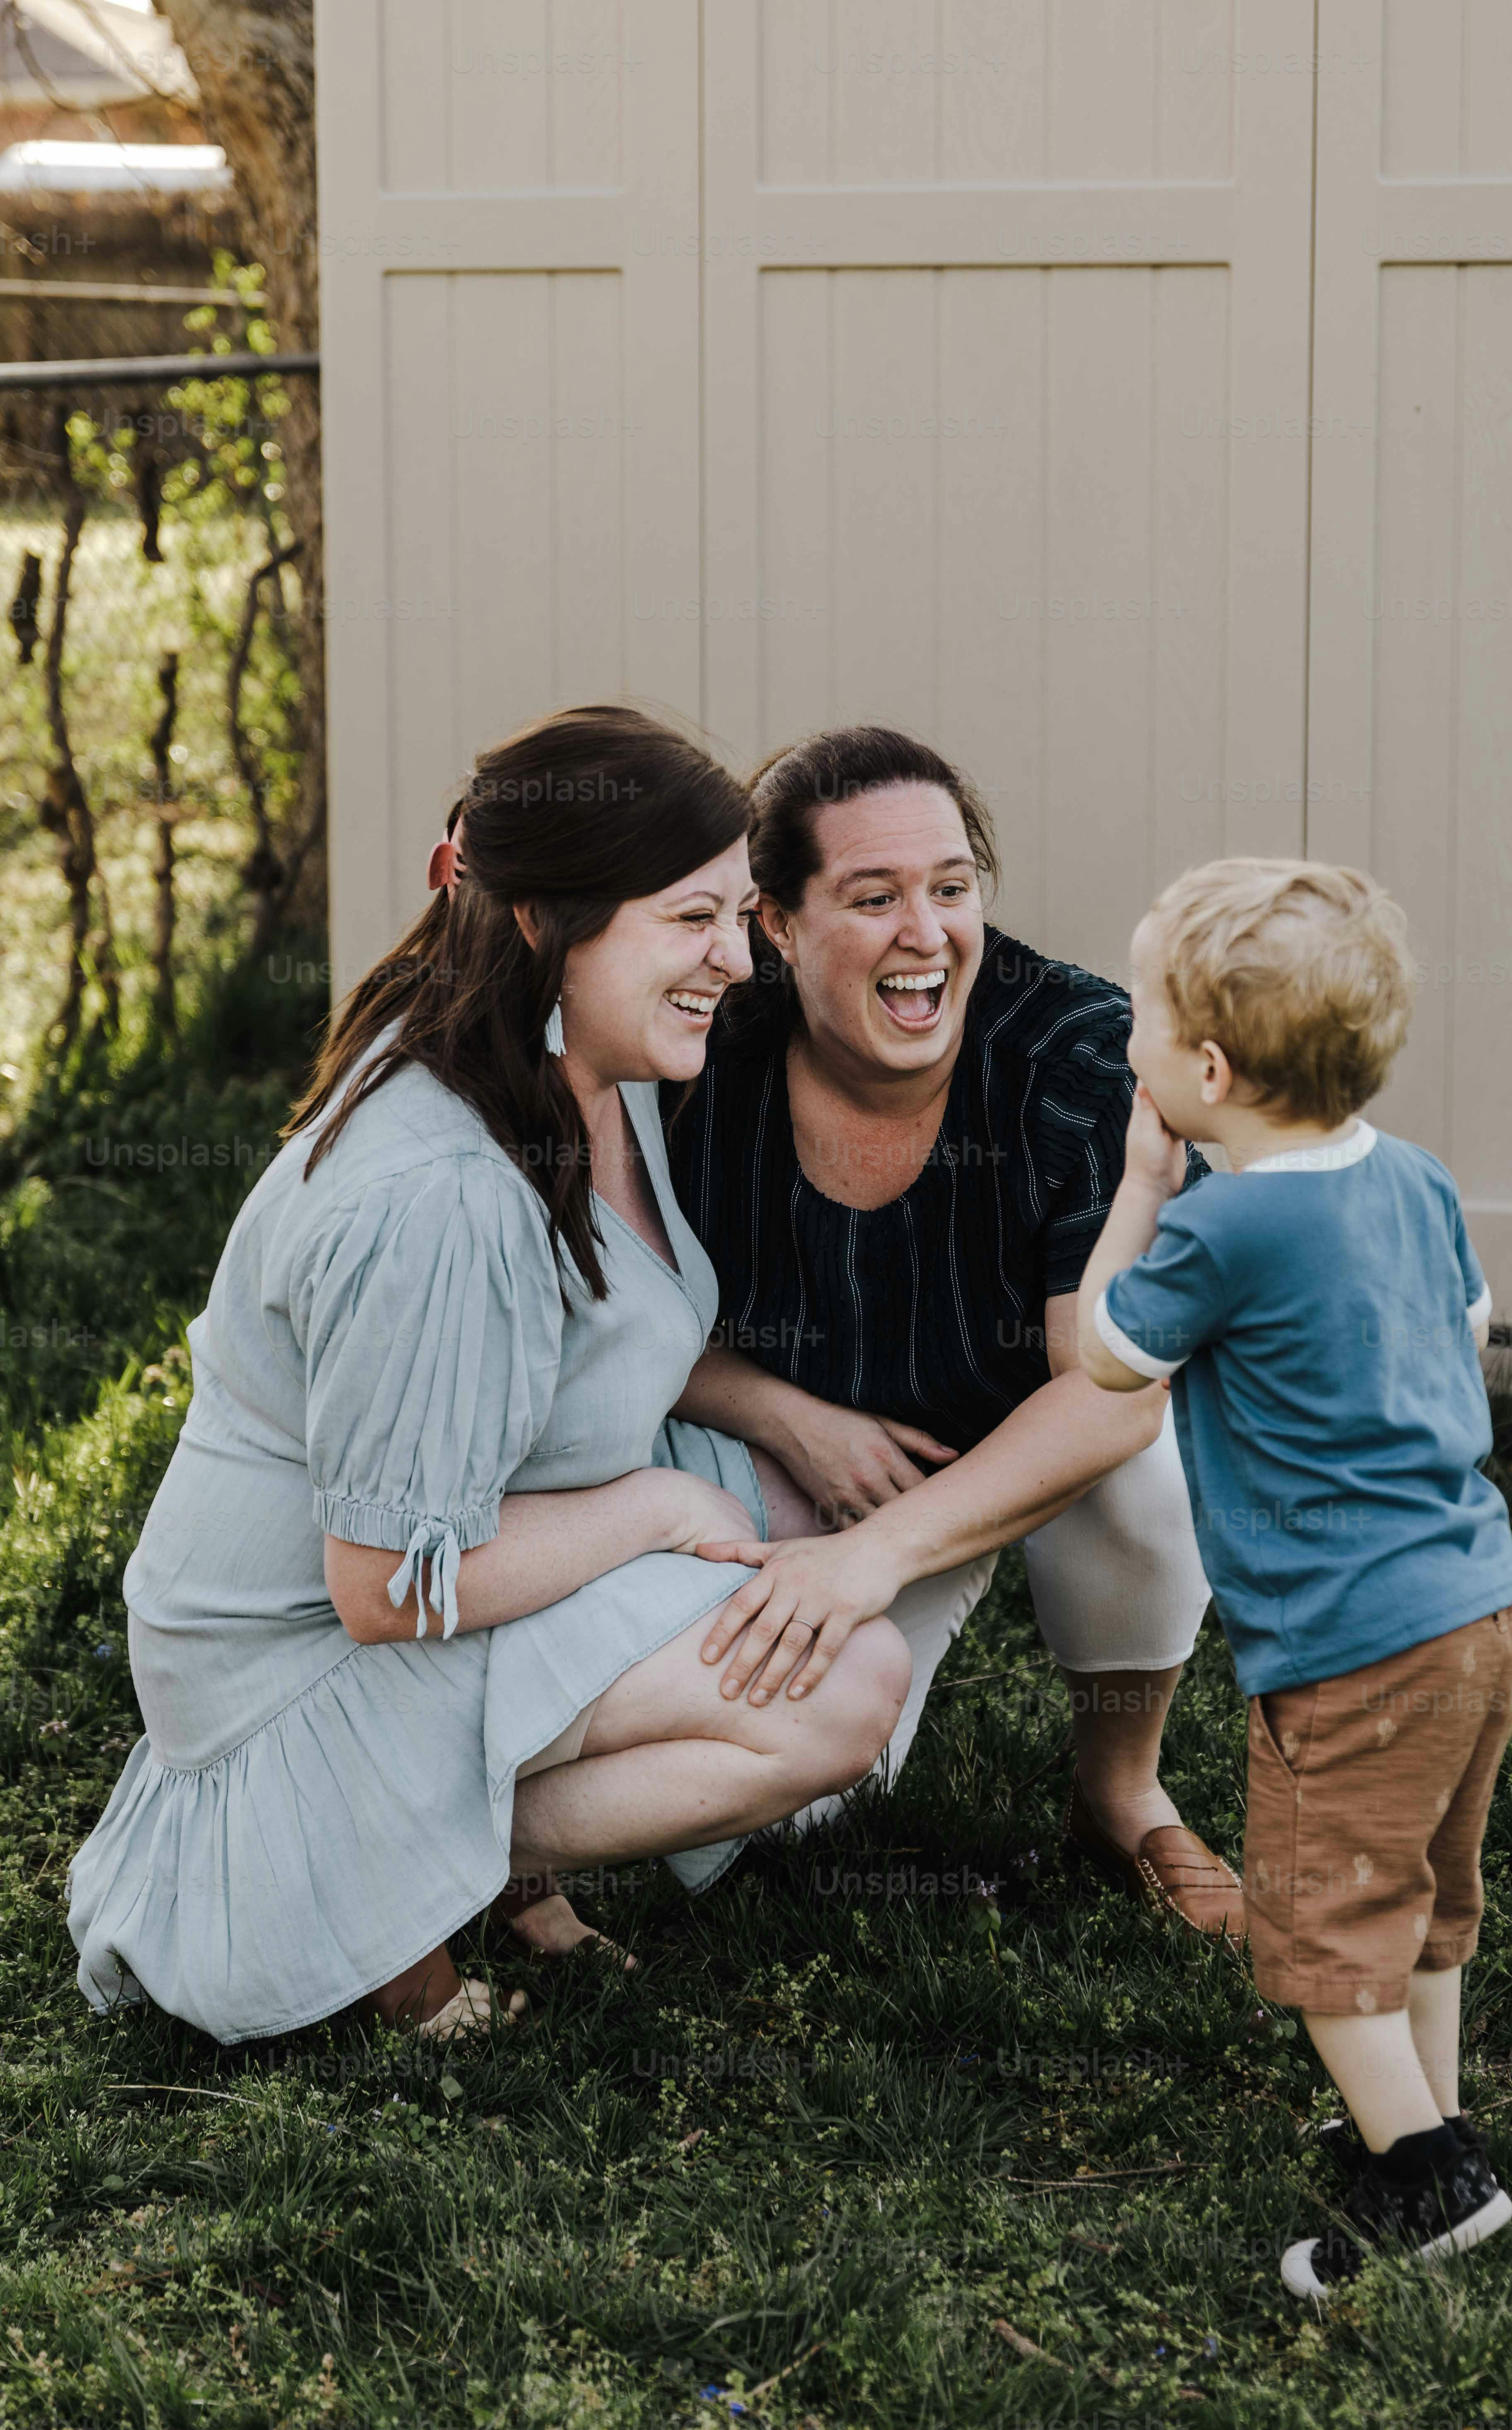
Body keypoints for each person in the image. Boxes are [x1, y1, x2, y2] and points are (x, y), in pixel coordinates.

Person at [66, 706, 910, 2046]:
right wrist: (654, 1513)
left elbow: (606, 1336)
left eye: (737, 916)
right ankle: (371, 1885)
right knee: (840, 1684)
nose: (735, 962)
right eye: (690, 921)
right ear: (545, 922)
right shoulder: (442, 1195)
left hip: (440, 1564)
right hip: (304, 1663)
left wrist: (781, 1421)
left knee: (806, 1532)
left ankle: (504, 1874)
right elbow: (380, 1587)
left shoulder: (583, 1060)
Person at [663, 726, 1243, 1935]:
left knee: (1147, 1471)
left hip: (1030, 1446)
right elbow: (609, 1319)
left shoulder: (1077, 1053)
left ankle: (1119, 1790)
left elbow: (1113, 1388)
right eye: (872, 898)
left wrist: (881, 1558)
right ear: (773, 923)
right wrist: (786, 1417)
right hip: (800, 1463)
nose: (924, 935)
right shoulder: (696, 1048)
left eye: (949, 889)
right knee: (760, 1821)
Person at [1077, 856, 1512, 2298]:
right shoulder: (1412, 1174)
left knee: (1322, 1925)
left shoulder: (1223, 1225)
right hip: (1480, 1604)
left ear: (1206, 1068)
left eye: (1140, 1014)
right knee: (1424, 1898)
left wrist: (1142, 1191)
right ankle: (1422, 2115)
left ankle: (1430, 2191)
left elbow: (1102, 1353)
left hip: (1349, 1645)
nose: (1124, 1038)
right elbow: (1461, 1335)